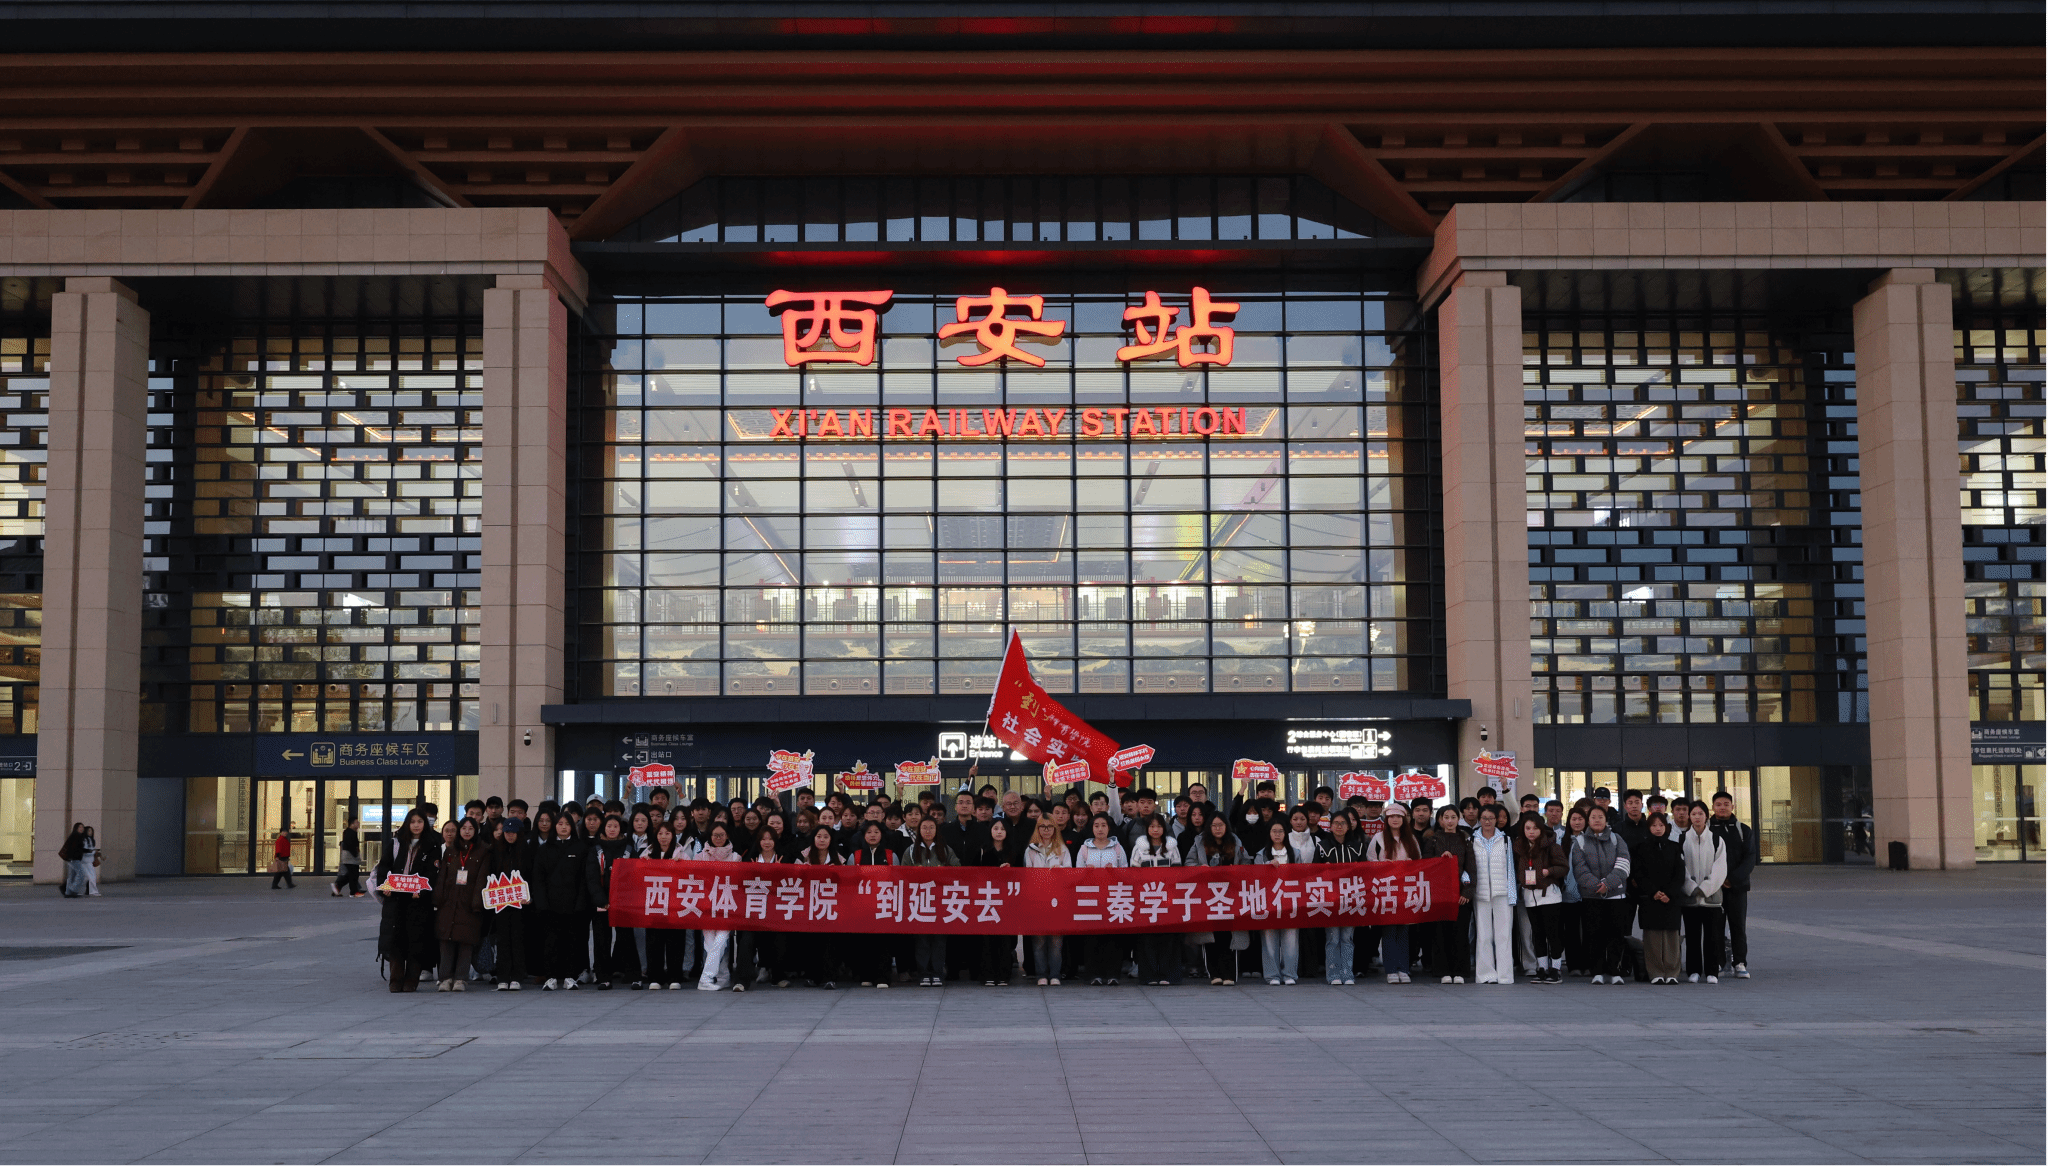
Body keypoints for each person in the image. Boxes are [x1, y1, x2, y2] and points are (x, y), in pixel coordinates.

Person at [374, 808, 440, 992]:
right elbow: (384, 867)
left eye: (420, 822)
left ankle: (411, 980)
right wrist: (384, 887)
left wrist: (423, 892)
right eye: (413, 822)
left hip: (418, 902)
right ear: (407, 823)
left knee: (416, 941)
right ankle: (395, 980)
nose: (416, 825)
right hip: (395, 900)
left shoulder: (432, 845)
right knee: (395, 941)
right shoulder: (396, 843)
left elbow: (433, 874)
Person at [532, 811, 596, 991]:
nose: (563, 827)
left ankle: (570, 976)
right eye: (560, 824)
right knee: (550, 942)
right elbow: (538, 879)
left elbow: (584, 879)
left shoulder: (581, 848)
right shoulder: (544, 849)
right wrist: (542, 903)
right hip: (550, 905)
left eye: (567, 824)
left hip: (574, 905)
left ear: (572, 827)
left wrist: (581, 903)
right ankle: (551, 977)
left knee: (572, 942)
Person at [1572, 805, 1632, 985]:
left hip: (1616, 896)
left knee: (1616, 934)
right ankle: (1597, 971)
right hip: (1591, 896)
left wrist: (1608, 884)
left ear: (1606, 820)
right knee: (1594, 934)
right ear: (1588, 820)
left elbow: (1624, 863)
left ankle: (1614, 971)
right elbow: (1579, 869)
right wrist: (1596, 886)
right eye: (1593, 817)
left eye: (1600, 817)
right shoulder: (1580, 842)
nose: (1597, 820)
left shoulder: (1616, 839)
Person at [1364, 802, 1420, 983]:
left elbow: (1420, 863)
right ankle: (1391, 970)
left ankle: (1403, 968)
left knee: (1404, 930)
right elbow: (1370, 862)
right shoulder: (1378, 839)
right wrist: (1383, 866)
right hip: (1386, 890)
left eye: (1398, 817)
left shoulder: (1411, 839)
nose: (1395, 820)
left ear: (1404, 819)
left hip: (1405, 890)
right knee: (1388, 930)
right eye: (1392, 817)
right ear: (1386, 819)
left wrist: (1410, 864)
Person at [1630, 811, 1686, 984]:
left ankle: (1672, 972)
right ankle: (1655, 972)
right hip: (1650, 898)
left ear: (1666, 827)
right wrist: (1653, 892)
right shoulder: (1640, 848)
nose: (1658, 828)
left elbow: (1680, 873)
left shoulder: (1674, 847)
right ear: (1648, 828)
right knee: (1652, 937)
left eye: (1661, 825)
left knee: (1671, 936)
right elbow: (1638, 873)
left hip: (1671, 898)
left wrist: (1669, 893)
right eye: (1654, 825)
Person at [433, 817, 489, 991]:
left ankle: (460, 978)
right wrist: (438, 898)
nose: (467, 831)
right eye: (464, 828)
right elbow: (442, 877)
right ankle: (445, 978)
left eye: (471, 828)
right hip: (449, 901)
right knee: (446, 940)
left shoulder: (483, 850)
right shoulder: (451, 850)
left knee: (466, 941)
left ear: (476, 831)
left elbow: (482, 879)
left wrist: (477, 903)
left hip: (469, 902)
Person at [902, 817, 958, 986]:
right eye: (924, 827)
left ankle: (938, 973)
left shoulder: (945, 849)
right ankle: (924, 973)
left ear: (936, 830)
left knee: (940, 939)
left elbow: (958, 869)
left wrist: (944, 871)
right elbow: (902, 873)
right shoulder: (910, 851)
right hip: (919, 900)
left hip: (940, 900)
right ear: (919, 830)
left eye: (931, 827)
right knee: (922, 939)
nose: (928, 831)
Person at [1513, 813, 1569, 984]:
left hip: (1550, 895)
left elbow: (1563, 867)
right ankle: (1542, 968)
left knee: (1553, 933)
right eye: (1528, 828)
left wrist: (1548, 871)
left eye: (1535, 828)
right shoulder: (1520, 847)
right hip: (1530, 896)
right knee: (1537, 934)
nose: (1531, 832)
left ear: (1541, 829)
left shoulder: (1552, 846)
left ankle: (1556, 969)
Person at [1421, 806, 1474, 983]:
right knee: (1440, 933)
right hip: (1440, 894)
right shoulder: (1433, 839)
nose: (1450, 821)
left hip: (1461, 894)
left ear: (1459, 819)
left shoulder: (1465, 839)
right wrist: (1439, 860)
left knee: (1460, 933)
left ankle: (1460, 971)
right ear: (1440, 820)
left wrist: (1467, 892)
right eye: (1446, 817)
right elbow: (1426, 866)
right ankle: (1442, 970)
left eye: (1453, 817)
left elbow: (1471, 868)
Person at [1075, 812, 1127, 985]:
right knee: (1093, 938)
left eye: (1103, 825)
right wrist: (1086, 873)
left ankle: (1113, 974)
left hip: (1113, 897)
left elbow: (1126, 871)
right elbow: (1076, 874)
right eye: (1096, 826)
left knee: (1113, 937)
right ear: (1092, 829)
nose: (1100, 829)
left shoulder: (1117, 848)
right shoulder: (1084, 849)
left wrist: (1115, 872)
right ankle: (1094, 974)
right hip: (1091, 898)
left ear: (1109, 828)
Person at [1128, 814, 1181, 985]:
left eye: (1159, 826)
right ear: (1147, 829)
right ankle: (1149, 975)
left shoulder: (1172, 847)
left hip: (1167, 899)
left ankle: (1167, 974)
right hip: (1146, 899)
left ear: (1164, 829)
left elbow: (1178, 872)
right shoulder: (1139, 848)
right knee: (1147, 939)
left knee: (1168, 938)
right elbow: (1133, 873)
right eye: (1152, 826)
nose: (1155, 830)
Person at [1708, 790, 1756, 979]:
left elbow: (1750, 857)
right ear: (1713, 807)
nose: (1722, 807)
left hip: (1738, 888)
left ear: (1732, 806)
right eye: (1718, 804)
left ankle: (1740, 963)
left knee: (1738, 927)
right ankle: (1720, 963)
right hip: (1715, 887)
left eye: (1726, 804)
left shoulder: (1743, 830)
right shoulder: (1706, 829)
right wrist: (1718, 880)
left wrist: (1733, 879)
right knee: (1716, 927)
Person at [1315, 810, 1366, 985]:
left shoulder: (1358, 846)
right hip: (1330, 898)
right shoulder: (1322, 846)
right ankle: (1333, 973)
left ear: (1349, 826)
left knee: (1347, 938)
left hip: (1351, 897)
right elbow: (1314, 872)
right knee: (1333, 938)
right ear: (1330, 826)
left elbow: (1365, 872)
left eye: (1343, 823)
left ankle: (1347, 972)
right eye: (1335, 823)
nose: (1339, 826)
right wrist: (1324, 870)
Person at [1682, 801, 1729, 984]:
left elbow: (1720, 868)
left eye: (1700, 814)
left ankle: (1712, 971)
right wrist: (1691, 887)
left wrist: (1706, 887)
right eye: (1694, 814)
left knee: (1713, 937)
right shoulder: (1682, 840)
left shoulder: (1717, 840)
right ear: (1689, 817)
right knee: (1692, 936)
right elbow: (1680, 868)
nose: (1697, 817)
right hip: (1690, 898)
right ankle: (1693, 970)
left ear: (1706, 816)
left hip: (1712, 898)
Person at [1469, 805, 1517, 984]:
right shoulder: (1472, 839)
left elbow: (1511, 868)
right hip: (1480, 893)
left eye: (1491, 818)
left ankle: (1505, 975)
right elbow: (1469, 866)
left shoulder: (1505, 840)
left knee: (1504, 935)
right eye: (1484, 818)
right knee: (1484, 936)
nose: (1487, 821)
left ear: (1497, 820)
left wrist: (1512, 894)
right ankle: (1485, 974)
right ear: (1479, 820)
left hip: (1502, 893)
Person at [691, 822, 742, 991]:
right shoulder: (700, 857)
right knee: (710, 943)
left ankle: (705, 979)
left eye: (721, 835)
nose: (718, 838)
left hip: (726, 905)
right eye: (715, 835)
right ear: (710, 836)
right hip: (706, 905)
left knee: (721, 940)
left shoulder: (735, 857)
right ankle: (723, 976)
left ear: (727, 836)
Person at [590, 814, 638, 989]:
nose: (612, 829)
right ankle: (603, 976)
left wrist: (626, 898)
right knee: (601, 939)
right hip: (602, 902)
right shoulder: (596, 849)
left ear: (620, 829)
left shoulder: (629, 849)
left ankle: (634, 975)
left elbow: (635, 875)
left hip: (623, 902)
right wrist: (601, 900)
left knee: (627, 938)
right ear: (604, 828)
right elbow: (591, 877)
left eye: (615, 826)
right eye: (609, 826)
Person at [1022, 814, 1071, 986]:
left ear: (1055, 829)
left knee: (1056, 941)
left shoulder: (1063, 849)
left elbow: (1070, 873)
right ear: (1038, 829)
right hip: (1038, 899)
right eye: (1042, 827)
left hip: (1057, 899)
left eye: (1050, 827)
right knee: (1039, 941)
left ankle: (1055, 974)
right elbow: (1027, 874)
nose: (1046, 830)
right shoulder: (1031, 850)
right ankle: (1041, 974)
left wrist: (1061, 871)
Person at [848, 820, 897, 988]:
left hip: (885, 905)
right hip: (862, 906)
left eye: (876, 832)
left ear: (882, 834)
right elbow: (849, 883)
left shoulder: (891, 856)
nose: (873, 835)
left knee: (883, 942)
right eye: (869, 832)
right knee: (864, 942)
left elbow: (898, 880)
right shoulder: (855, 856)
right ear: (863, 835)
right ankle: (866, 975)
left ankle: (883, 977)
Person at [1252, 818, 1300, 986]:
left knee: (1291, 940)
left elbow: (1301, 877)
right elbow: (1256, 878)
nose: (1277, 834)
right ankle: (1272, 974)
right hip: (1269, 902)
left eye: (1280, 831)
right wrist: (1267, 866)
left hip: (1290, 901)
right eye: (1274, 831)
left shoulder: (1295, 853)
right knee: (1269, 940)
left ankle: (1289, 974)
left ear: (1285, 833)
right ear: (1269, 833)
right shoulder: (1261, 854)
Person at [488, 816, 533, 990]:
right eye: (507, 832)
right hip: (501, 903)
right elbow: (490, 875)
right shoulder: (495, 851)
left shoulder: (527, 851)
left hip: (521, 903)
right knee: (502, 940)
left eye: (514, 832)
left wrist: (530, 896)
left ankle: (517, 976)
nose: (510, 835)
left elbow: (531, 876)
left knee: (518, 939)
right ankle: (502, 976)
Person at [969, 818, 1016, 986]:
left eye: (1002, 829)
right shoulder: (982, 850)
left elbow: (1022, 874)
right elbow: (973, 874)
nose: (999, 832)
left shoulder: (1013, 851)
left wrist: (1010, 871)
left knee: (1005, 939)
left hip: (1007, 901)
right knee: (987, 939)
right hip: (986, 900)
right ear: (990, 831)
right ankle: (987, 974)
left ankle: (1003, 975)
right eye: (995, 828)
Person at [795, 825, 840, 989]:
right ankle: (812, 976)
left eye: (826, 837)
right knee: (811, 941)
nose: (822, 840)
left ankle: (830, 977)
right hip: (809, 906)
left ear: (831, 840)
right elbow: (795, 878)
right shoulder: (804, 856)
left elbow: (845, 882)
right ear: (813, 839)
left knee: (829, 942)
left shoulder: (838, 858)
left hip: (830, 906)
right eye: (819, 836)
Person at [332, 817, 365, 897]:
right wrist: (356, 854)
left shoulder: (349, 832)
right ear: (352, 824)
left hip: (349, 857)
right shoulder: (350, 833)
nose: (358, 823)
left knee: (351, 875)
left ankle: (339, 887)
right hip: (350, 857)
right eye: (356, 822)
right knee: (353, 874)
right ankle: (352, 891)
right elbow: (350, 845)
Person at [57, 823, 90, 898]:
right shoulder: (76, 836)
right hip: (74, 859)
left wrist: (87, 850)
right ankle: (73, 890)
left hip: (72, 859)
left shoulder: (77, 836)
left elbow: (78, 848)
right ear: (76, 828)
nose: (81, 828)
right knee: (81, 874)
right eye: (80, 827)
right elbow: (74, 848)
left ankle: (68, 893)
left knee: (72, 876)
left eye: (82, 827)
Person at [81, 827, 102, 896]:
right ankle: (93, 891)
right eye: (89, 831)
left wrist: (95, 852)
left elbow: (92, 849)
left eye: (91, 831)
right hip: (85, 862)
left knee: (87, 878)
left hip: (89, 861)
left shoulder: (91, 840)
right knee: (92, 877)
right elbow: (85, 851)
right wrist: (93, 852)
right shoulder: (84, 840)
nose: (90, 832)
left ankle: (90, 891)